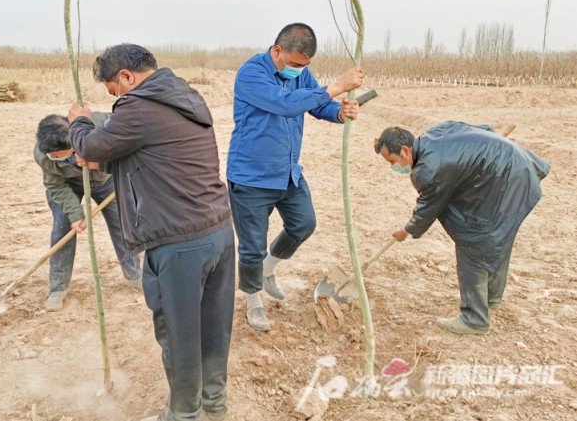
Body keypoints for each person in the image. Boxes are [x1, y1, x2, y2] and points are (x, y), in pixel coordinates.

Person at [67, 44, 235, 421]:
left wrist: (78, 121)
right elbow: (148, 154)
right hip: (219, 232)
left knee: (180, 335)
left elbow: (91, 143)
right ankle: (214, 402)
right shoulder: (184, 96)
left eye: (113, 90)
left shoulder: (138, 106)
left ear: (126, 76)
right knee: (214, 326)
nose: (116, 98)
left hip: (179, 243)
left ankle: (183, 414)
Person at [226, 22, 364, 331]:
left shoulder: (301, 73)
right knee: (251, 247)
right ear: (277, 51)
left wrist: (340, 112)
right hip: (251, 177)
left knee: (304, 223)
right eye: (295, 64)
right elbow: (286, 105)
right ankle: (253, 300)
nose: (299, 71)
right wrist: (336, 86)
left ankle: (268, 269)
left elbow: (318, 105)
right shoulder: (252, 74)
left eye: (305, 66)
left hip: (288, 173)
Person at [374, 121, 551, 335]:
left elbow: (427, 209)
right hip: (514, 165)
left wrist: (406, 230)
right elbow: (482, 129)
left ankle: (474, 319)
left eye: (392, 161)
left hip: (508, 178)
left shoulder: (427, 171)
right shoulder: (436, 132)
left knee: (472, 241)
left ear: (404, 150)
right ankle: (491, 298)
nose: (393, 166)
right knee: (498, 236)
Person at [34, 114, 143, 312]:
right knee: (62, 229)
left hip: (105, 180)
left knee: (123, 224)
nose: (52, 157)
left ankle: (134, 275)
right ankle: (58, 287)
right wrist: (75, 214)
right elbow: (55, 185)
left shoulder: (101, 126)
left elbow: (129, 143)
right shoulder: (43, 153)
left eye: (57, 155)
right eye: (51, 155)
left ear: (72, 144)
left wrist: (101, 160)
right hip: (66, 185)